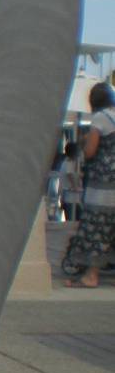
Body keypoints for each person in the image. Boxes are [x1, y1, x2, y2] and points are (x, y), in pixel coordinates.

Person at [63, 81, 115, 288]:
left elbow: (91, 151)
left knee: (97, 225)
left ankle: (91, 275)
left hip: (104, 181)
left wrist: (85, 145)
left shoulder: (101, 118)